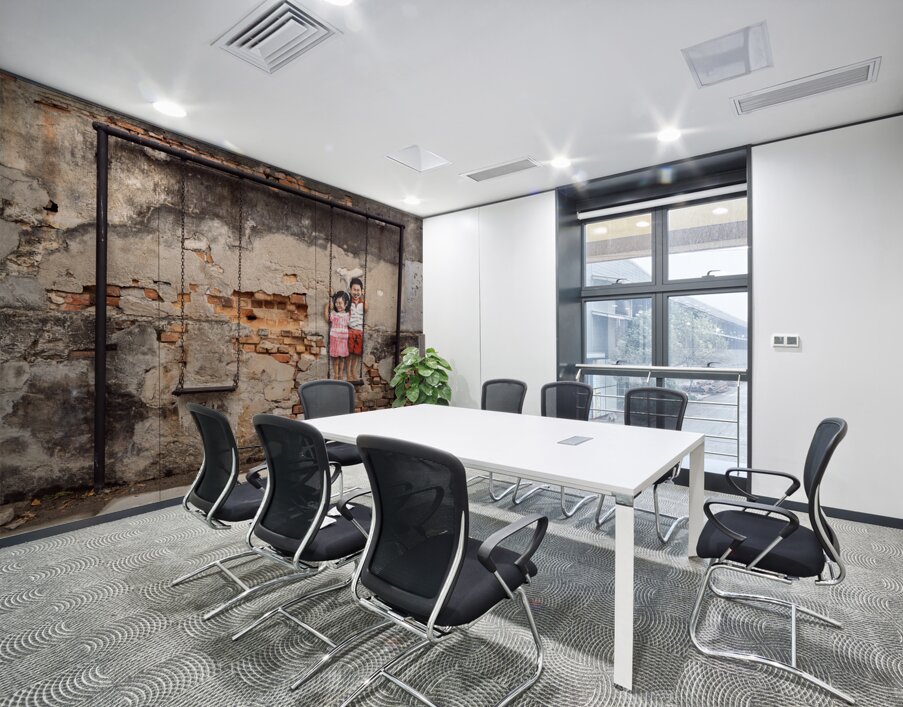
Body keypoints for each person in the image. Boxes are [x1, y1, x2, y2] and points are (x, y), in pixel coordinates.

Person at [324, 290, 350, 380]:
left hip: (343, 339)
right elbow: (327, 318)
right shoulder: (334, 314)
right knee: (335, 358)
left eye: (340, 303)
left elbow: (352, 324)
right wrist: (327, 306)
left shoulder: (347, 315)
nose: (338, 305)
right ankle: (335, 374)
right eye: (336, 303)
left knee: (342, 358)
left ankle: (340, 373)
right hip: (334, 338)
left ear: (346, 304)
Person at [347, 277, 368, 380]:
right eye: (354, 290)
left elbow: (366, 309)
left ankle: (353, 371)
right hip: (350, 330)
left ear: (361, 291)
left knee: (356, 353)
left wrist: (363, 298)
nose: (356, 292)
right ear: (350, 290)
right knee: (350, 353)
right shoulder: (347, 303)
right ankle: (348, 374)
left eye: (358, 290)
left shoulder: (362, 304)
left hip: (360, 331)